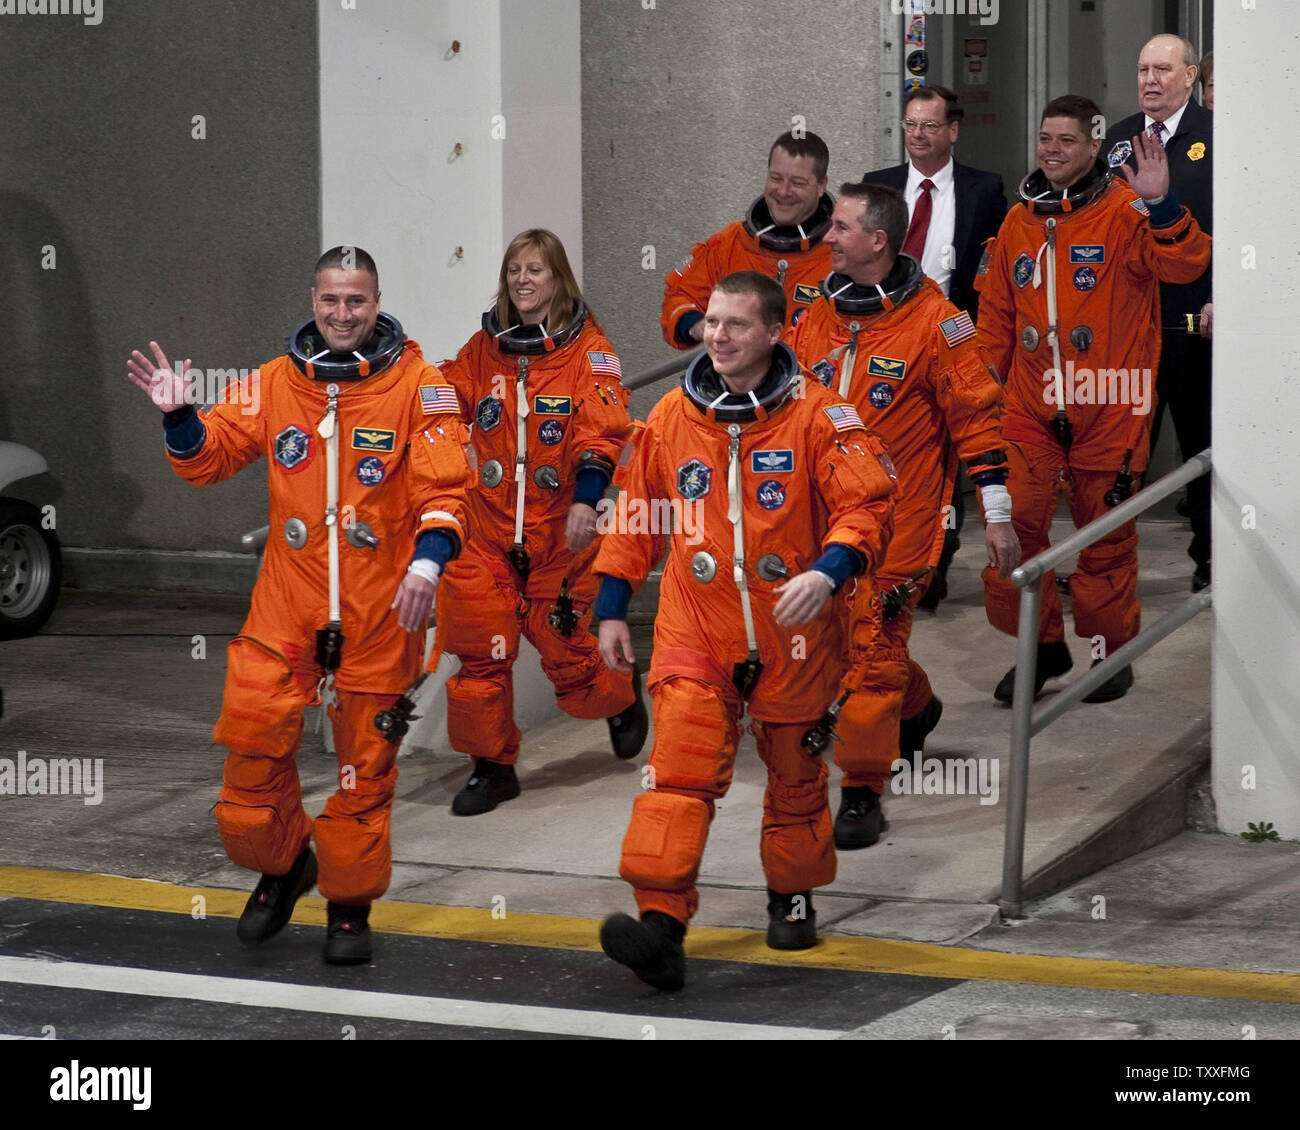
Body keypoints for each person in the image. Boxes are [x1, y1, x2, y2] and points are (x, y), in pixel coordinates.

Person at [126, 246, 472, 965]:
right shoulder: (277, 384)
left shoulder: (421, 386)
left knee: (363, 772)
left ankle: (348, 907)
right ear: (312, 302)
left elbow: (448, 494)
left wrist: (428, 567)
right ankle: (285, 867)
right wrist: (179, 416)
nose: (343, 314)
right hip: (287, 609)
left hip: (381, 615)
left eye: (357, 301)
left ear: (377, 304)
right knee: (251, 760)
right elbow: (208, 460)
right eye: (330, 301)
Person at [595, 271, 896, 991]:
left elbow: (869, 506)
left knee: (795, 781)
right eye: (710, 322)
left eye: (735, 324)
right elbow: (636, 516)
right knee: (677, 776)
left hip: (796, 634)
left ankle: (791, 896)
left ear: (773, 332)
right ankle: (661, 928)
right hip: (697, 631)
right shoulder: (671, 416)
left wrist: (827, 571)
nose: (717, 336)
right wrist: (610, 607)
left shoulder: (822, 418)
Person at [788, 182, 1018, 848]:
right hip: (821, 523)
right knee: (835, 650)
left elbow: (978, 420)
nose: (826, 236)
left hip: (902, 527)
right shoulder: (815, 315)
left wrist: (996, 514)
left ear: (878, 242)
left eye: (840, 227)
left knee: (872, 654)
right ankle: (916, 709)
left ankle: (862, 790)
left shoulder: (938, 323)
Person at [978, 96, 1211, 704]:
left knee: (1103, 540)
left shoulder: (1126, 212)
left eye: (1066, 140)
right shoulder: (1018, 223)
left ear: (1091, 147)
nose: (1052, 150)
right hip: (1030, 406)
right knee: (1012, 525)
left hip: (1111, 404)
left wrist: (1162, 203)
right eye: (1044, 138)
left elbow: (1186, 266)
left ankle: (1109, 656)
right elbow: (996, 321)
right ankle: (1042, 647)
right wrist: (980, 401)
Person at [433, 229, 647, 816]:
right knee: (480, 650)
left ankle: (621, 695)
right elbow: (439, 395)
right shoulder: (483, 349)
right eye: (513, 271)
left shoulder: (590, 353)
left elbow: (603, 430)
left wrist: (586, 498)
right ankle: (492, 767)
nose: (522, 281)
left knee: (574, 659)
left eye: (535, 270)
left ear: (557, 278)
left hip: (559, 530)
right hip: (488, 530)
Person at [863, 86, 1009, 610]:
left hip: (950, 336)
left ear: (952, 131)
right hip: (882, 336)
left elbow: (996, 274)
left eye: (929, 125)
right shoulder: (876, 187)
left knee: (949, 450)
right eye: (910, 124)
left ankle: (935, 562)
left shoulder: (985, 189)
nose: (918, 135)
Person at [1104, 35, 1213, 592]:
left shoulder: (1217, 138)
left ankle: (1211, 563)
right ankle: (1103, 565)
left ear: (1190, 76)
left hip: (1196, 326)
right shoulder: (1117, 141)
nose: (1150, 79)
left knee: (1201, 448)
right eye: (1143, 68)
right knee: (1119, 453)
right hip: (1127, 332)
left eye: (1163, 69)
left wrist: (1227, 298)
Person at [661, 131, 834, 346]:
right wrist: (699, 326)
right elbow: (679, 296)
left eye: (797, 183)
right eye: (776, 178)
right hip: (737, 376)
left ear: (821, 186)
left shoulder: (841, 251)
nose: (783, 191)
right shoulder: (729, 244)